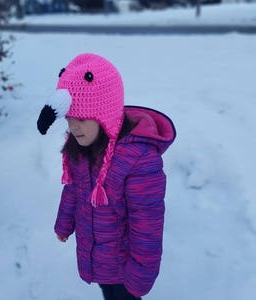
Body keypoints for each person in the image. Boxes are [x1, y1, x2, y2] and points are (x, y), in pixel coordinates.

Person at [37, 53, 176, 300]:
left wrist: (140, 276)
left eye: (81, 118)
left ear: (105, 114)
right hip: (98, 259)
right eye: (69, 119)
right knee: (107, 292)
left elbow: (147, 226)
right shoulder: (80, 147)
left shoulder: (139, 159)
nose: (73, 127)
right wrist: (65, 224)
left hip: (126, 269)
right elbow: (73, 190)